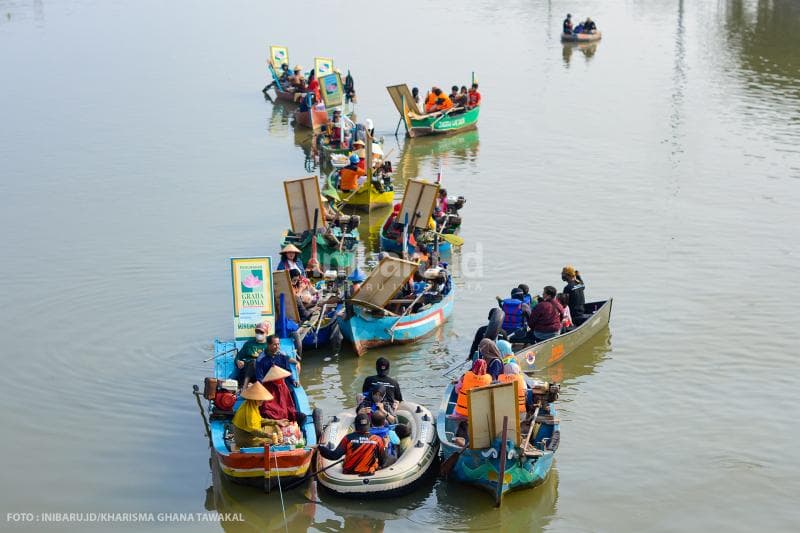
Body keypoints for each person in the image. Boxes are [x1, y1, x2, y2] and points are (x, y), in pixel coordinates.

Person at [319, 413, 388, 475]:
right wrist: (386, 446)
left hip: (349, 474)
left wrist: (321, 447)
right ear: (369, 425)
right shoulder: (378, 440)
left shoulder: (347, 438)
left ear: (355, 425)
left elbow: (334, 456)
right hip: (368, 473)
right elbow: (383, 462)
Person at [231, 382, 287, 448]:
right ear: (254, 399)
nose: (262, 401)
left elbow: (259, 419)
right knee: (275, 436)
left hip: (247, 435)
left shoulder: (250, 405)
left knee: (274, 426)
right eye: (260, 400)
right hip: (246, 440)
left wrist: (276, 421)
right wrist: (268, 435)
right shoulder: (250, 411)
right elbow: (254, 431)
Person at [234, 321, 270, 387]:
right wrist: (238, 362)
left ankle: (256, 384)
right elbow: (238, 357)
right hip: (247, 370)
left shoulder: (269, 345)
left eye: (261, 332)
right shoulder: (249, 344)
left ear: (267, 333)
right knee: (252, 362)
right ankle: (246, 385)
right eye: (257, 331)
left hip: (262, 372)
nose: (259, 334)